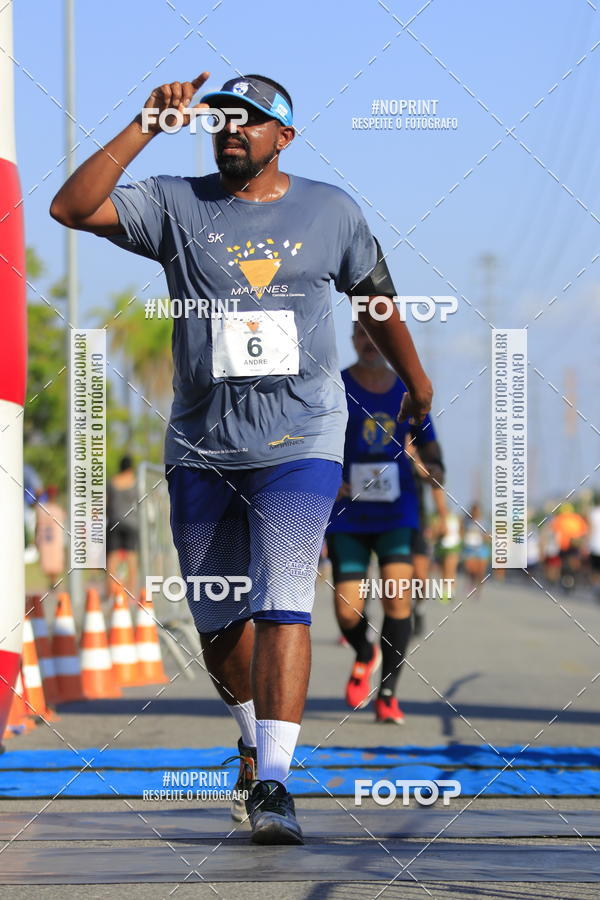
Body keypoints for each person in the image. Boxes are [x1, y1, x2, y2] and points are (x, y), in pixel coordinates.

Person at [50, 71, 432, 845]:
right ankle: (250, 746)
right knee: (221, 627)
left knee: (282, 598)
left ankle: (278, 785)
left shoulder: (331, 210)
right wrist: (145, 123)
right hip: (202, 446)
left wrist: (417, 386)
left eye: (251, 121)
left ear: (283, 137)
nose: (233, 129)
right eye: (222, 118)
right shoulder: (173, 203)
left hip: (302, 440)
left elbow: (376, 298)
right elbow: (72, 206)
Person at [326, 323, 443, 724]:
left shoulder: (406, 390)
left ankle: (388, 694)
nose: (369, 343)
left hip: (397, 511)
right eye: (360, 334)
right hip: (347, 513)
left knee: (398, 598)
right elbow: (313, 436)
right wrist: (327, 477)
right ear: (353, 339)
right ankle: (364, 651)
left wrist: (435, 468)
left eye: (377, 336)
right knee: (347, 611)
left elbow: (429, 442)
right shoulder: (335, 385)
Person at [404, 438, 449, 636]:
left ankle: (419, 610)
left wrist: (443, 516)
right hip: (390, 522)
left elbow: (434, 482)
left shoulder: (418, 454)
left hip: (417, 522)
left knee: (420, 577)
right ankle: (401, 617)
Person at [106, 455, 139, 599]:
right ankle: (131, 590)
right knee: (131, 556)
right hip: (132, 523)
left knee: (112, 556)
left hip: (115, 521)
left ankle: (111, 590)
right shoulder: (135, 481)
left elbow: (107, 503)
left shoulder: (112, 482)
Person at [34, 486, 66, 589]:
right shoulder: (45, 508)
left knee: (55, 562)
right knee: (49, 562)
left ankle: (53, 581)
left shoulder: (57, 508)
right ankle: (52, 581)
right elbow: (37, 523)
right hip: (48, 540)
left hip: (54, 540)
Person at [461, 502, 490, 590]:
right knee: (471, 569)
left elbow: (488, 534)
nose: (475, 513)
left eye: (477, 511)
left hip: (481, 548)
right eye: (474, 511)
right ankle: (472, 582)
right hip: (469, 548)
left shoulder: (484, 522)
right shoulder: (466, 521)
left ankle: (479, 587)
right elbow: (462, 532)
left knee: (481, 571)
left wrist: (485, 537)